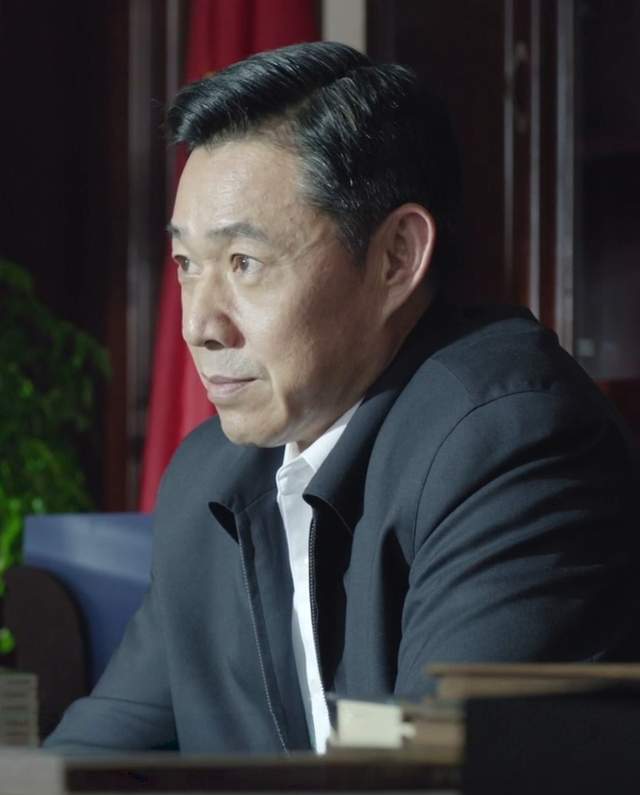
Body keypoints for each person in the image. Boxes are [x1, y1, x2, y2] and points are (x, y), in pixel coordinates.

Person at [45, 41, 639, 754]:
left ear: (395, 258)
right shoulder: (208, 477)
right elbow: (88, 765)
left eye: (244, 262)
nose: (199, 325)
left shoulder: (509, 443)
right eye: (186, 264)